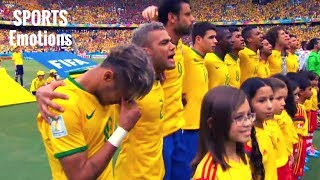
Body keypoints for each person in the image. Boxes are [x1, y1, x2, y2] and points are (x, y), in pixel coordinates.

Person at [37, 44, 155, 180]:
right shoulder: (63, 106)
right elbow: (79, 176)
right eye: (121, 96)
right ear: (108, 77)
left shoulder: (103, 88)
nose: (121, 103)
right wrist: (122, 130)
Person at [114, 22, 176, 180]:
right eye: (164, 43)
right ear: (145, 52)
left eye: (170, 41)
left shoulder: (155, 79)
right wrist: (48, 89)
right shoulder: (129, 84)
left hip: (157, 172)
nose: (172, 46)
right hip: (134, 176)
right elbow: (88, 82)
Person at [143, 1, 196, 179]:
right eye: (188, 14)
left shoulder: (180, 47)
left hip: (177, 130)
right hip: (159, 136)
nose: (193, 19)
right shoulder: (153, 52)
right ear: (172, 18)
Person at [192, 86, 253, 179]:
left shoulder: (243, 157)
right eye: (238, 117)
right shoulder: (209, 173)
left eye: (249, 115)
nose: (248, 122)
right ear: (212, 123)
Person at [182, 21, 217, 166]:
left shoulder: (202, 61)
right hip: (189, 127)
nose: (216, 41)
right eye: (211, 37)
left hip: (202, 125)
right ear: (198, 39)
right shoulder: (186, 55)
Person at [241, 77, 277, 180]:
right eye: (262, 100)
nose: (270, 106)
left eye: (271, 99)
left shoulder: (266, 126)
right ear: (247, 103)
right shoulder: (246, 138)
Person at [264, 78, 292, 180]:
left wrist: (288, 154)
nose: (284, 103)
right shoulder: (264, 128)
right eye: (279, 98)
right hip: (275, 171)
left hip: (284, 166)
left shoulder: (275, 120)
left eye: (284, 99)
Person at [287, 72, 313, 179]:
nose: (313, 92)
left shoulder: (298, 108)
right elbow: (296, 135)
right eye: (310, 89)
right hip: (296, 144)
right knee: (294, 172)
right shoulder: (298, 109)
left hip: (297, 145)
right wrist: (296, 151)